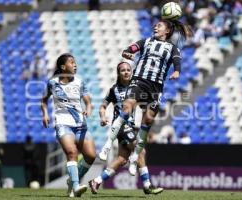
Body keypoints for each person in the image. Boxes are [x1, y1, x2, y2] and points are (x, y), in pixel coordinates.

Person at [99, 19, 192, 175]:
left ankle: (135, 157)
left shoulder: (173, 48)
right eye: (155, 25)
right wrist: (127, 52)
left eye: (159, 26)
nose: (155, 27)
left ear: (167, 31)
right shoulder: (145, 41)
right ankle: (107, 146)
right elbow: (130, 49)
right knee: (127, 108)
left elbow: (177, 62)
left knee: (147, 121)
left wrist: (176, 72)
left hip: (155, 87)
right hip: (139, 81)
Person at [89, 61, 163, 194]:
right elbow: (103, 106)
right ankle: (147, 184)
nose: (126, 72)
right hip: (121, 126)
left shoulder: (137, 88)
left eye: (128, 70)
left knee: (122, 159)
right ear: (118, 73)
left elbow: (144, 106)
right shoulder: (114, 89)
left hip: (132, 127)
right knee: (140, 151)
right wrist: (102, 116)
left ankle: (97, 181)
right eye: (123, 70)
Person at [41, 53, 96, 197]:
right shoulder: (52, 83)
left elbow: (89, 102)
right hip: (63, 123)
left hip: (80, 124)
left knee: (90, 156)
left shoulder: (79, 82)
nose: (75, 65)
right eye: (72, 62)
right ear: (63, 66)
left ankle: (71, 181)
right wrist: (45, 114)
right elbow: (43, 100)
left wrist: (88, 110)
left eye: (75, 62)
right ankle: (76, 186)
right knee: (72, 153)